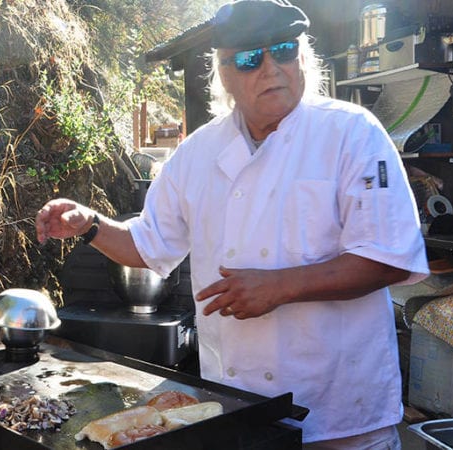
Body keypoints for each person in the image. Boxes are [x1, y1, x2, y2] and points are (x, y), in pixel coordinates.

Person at [35, 0, 429, 448]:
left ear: (302, 56)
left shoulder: (352, 133)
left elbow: (390, 258)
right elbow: (148, 245)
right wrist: (90, 225)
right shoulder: (198, 152)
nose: (271, 69)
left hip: (340, 411)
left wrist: (280, 286)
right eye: (249, 58)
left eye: (283, 50)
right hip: (238, 409)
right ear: (223, 72)